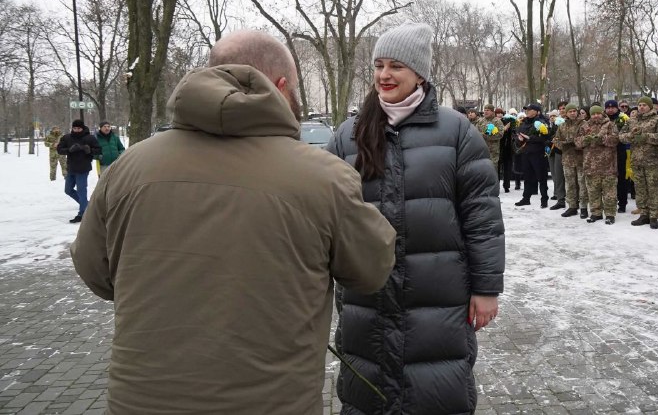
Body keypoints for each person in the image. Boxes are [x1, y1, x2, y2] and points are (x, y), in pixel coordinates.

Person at [70, 30, 397, 414]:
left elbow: (94, 270)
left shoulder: (129, 166)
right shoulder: (324, 176)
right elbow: (371, 270)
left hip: (140, 401)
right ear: (280, 86)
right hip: (273, 402)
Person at [327, 23, 505, 414]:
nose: (384, 75)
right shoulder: (348, 135)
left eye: (396, 66)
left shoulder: (457, 131)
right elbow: (327, 216)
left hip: (438, 295)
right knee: (366, 393)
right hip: (366, 298)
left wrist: (487, 287)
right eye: (378, 65)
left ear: (420, 73)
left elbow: (482, 216)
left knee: (436, 390)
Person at [619, 96, 658, 229]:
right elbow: (621, 136)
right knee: (640, 189)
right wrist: (632, 136)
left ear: (650, 106)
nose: (642, 107)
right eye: (640, 105)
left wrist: (646, 137)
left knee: (653, 189)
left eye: (644, 105)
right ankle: (644, 213)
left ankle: (653, 216)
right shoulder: (632, 120)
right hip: (637, 160)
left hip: (653, 160)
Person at [575, 105, 620, 224]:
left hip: (608, 165)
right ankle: (596, 213)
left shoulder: (610, 124)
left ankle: (610, 214)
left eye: (598, 113)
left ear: (602, 113)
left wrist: (603, 139)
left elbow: (616, 139)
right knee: (593, 191)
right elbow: (577, 142)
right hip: (590, 164)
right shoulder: (585, 126)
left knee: (609, 192)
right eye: (593, 114)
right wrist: (586, 139)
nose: (596, 116)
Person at [56, 119, 101, 223]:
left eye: (79, 128)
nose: (76, 130)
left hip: (83, 168)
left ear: (82, 128)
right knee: (68, 190)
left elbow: (98, 149)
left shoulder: (89, 138)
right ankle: (87, 205)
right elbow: (59, 149)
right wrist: (69, 150)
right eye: (74, 128)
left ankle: (82, 213)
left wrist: (88, 150)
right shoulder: (67, 137)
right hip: (71, 167)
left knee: (81, 190)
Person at [552, 103, 588, 218]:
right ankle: (572, 206)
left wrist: (575, 143)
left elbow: (586, 140)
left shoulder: (584, 124)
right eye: (570, 111)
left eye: (574, 111)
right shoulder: (562, 126)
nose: (572, 113)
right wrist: (564, 144)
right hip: (567, 159)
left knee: (582, 184)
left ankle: (583, 207)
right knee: (570, 184)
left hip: (581, 159)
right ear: (566, 113)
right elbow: (556, 140)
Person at [515, 103, 551, 208]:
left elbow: (545, 138)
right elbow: (518, 136)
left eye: (530, 109)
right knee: (527, 177)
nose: (527, 111)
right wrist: (519, 139)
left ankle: (544, 199)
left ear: (537, 112)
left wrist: (530, 138)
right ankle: (526, 198)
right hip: (526, 153)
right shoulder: (524, 122)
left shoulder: (542, 122)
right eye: (527, 109)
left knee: (541, 177)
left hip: (538, 153)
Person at [604, 100, 631, 213]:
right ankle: (610, 202)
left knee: (621, 178)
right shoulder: (603, 120)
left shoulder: (623, 119)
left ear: (617, 108)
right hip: (606, 153)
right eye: (608, 108)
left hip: (620, 151)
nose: (610, 109)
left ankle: (622, 203)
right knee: (608, 179)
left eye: (613, 107)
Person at [547, 104, 567, 210]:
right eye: (560, 109)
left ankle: (575, 200)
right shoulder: (556, 122)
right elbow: (552, 135)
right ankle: (560, 199)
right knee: (558, 176)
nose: (562, 110)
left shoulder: (572, 120)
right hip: (558, 151)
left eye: (564, 108)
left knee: (571, 177)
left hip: (570, 152)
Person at [475, 103, 504, 171]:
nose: (485, 112)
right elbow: (475, 133)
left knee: (492, 170)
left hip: (492, 152)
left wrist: (485, 136)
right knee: (481, 170)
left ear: (492, 112)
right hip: (481, 150)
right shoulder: (480, 121)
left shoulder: (497, 121)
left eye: (488, 110)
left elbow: (500, 135)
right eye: (484, 110)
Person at [499, 109, 521, 192]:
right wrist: (504, 129)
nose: (499, 115)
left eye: (500, 113)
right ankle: (497, 185)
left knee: (507, 168)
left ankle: (506, 186)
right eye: (497, 113)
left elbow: (515, 135)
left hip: (509, 149)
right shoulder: (498, 123)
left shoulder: (514, 124)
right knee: (498, 169)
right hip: (500, 149)